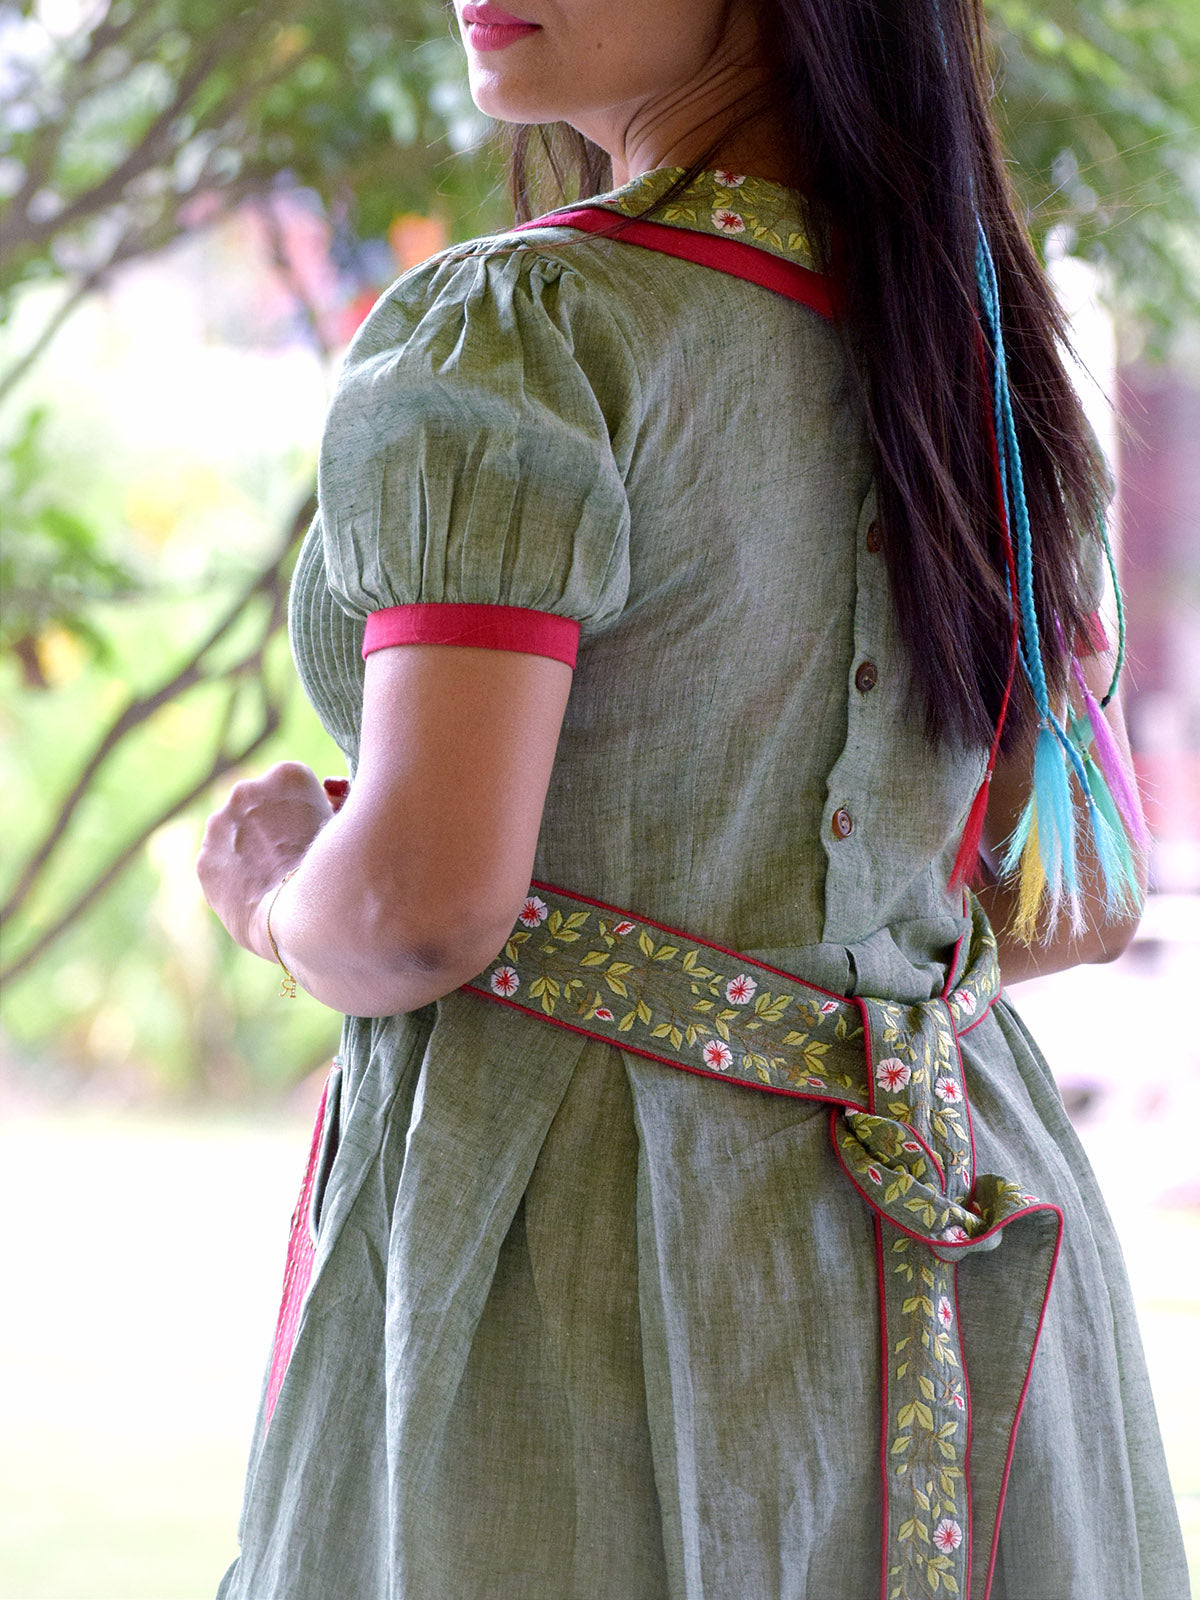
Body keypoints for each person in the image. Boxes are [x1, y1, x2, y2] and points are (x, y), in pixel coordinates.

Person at [197, 1, 1189, 1596]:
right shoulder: (980, 373)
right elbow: (1078, 897)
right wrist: (820, 985)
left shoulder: (524, 332)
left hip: (597, 1266)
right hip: (955, 1248)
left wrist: (273, 884)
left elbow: (420, 910)